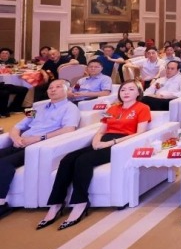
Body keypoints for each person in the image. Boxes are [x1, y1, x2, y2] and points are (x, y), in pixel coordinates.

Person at [37, 80, 150, 230]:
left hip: (121, 144)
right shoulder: (112, 108)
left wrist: (111, 143)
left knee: (83, 161)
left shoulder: (143, 108)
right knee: (67, 160)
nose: (126, 92)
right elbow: (102, 130)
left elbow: (140, 133)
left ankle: (80, 202)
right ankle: (56, 203)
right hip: (103, 140)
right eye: (123, 90)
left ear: (138, 92)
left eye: (131, 89)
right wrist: (96, 141)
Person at [0, 80, 79, 219]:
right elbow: (17, 126)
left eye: (58, 87)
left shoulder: (70, 108)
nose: (53, 90)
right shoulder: (37, 107)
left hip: (36, 147)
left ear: (67, 90)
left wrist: (38, 138)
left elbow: (69, 129)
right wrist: (16, 138)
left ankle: (1, 204)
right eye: (50, 87)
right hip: (19, 142)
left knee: (4, 164)